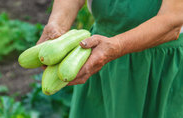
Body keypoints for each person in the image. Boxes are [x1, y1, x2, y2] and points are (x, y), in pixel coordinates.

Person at [37, 0, 183, 117]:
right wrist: (57, 25)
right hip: (98, 57)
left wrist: (117, 45)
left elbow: (172, 22)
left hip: (159, 67)